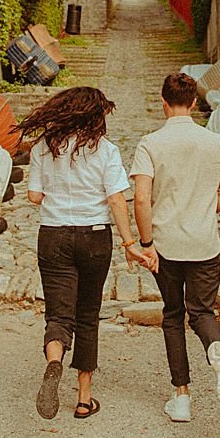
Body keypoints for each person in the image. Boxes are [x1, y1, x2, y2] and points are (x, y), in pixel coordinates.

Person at [18, 87, 151, 421]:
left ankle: (53, 362)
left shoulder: (41, 150)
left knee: (58, 315)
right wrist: (130, 243)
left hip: (53, 235)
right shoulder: (106, 151)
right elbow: (117, 200)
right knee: (88, 315)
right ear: (94, 116)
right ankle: (83, 399)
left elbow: (34, 196)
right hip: (94, 237)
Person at [130, 72, 220, 421]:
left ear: (163, 101)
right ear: (194, 103)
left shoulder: (150, 144)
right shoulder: (213, 143)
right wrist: (202, 209)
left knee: (173, 315)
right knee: (202, 313)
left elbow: (141, 200)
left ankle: (181, 398)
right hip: (204, 244)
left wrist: (146, 242)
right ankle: (216, 348)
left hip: (165, 244)